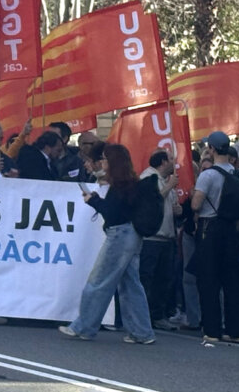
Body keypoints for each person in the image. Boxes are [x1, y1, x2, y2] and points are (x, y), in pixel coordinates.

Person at [60, 143, 156, 344]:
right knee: (130, 284)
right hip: (132, 234)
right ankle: (141, 332)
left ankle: (84, 327)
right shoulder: (129, 182)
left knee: (99, 281)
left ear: (112, 161)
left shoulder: (119, 185)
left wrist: (92, 201)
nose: (102, 161)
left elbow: (112, 213)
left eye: (104, 158)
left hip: (119, 235)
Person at [190, 131, 239, 344]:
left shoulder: (208, 175)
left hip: (210, 228)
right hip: (232, 230)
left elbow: (196, 205)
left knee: (209, 279)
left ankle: (212, 329)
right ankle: (238, 330)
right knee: (233, 280)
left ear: (212, 149)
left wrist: (193, 195)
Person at [139, 150, 181, 330]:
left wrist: (176, 209)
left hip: (167, 237)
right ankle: (143, 315)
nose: (174, 163)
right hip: (151, 238)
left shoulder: (165, 180)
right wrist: (169, 187)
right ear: (163, 162)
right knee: (147, 278)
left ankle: (157, 314)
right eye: (171, 159)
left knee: (163, 279)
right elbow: (150, 200)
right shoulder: (148, 178)